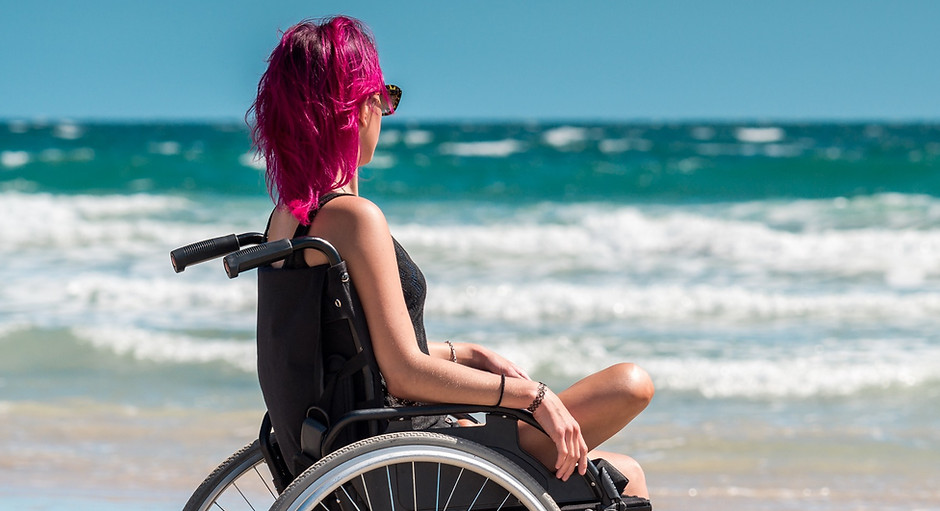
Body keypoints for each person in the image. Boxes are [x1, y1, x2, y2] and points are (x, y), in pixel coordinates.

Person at [249, 16, 655, 499]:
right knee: (630, 393)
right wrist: (532, 397)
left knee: (613, 459)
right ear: (352, 106)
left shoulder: (287, 221)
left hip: (344, 458)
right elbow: (402, 371)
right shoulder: (355, 220)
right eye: (383, 93)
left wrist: (470, 354)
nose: (386, 108)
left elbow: (350, 351)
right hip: (399, 469)